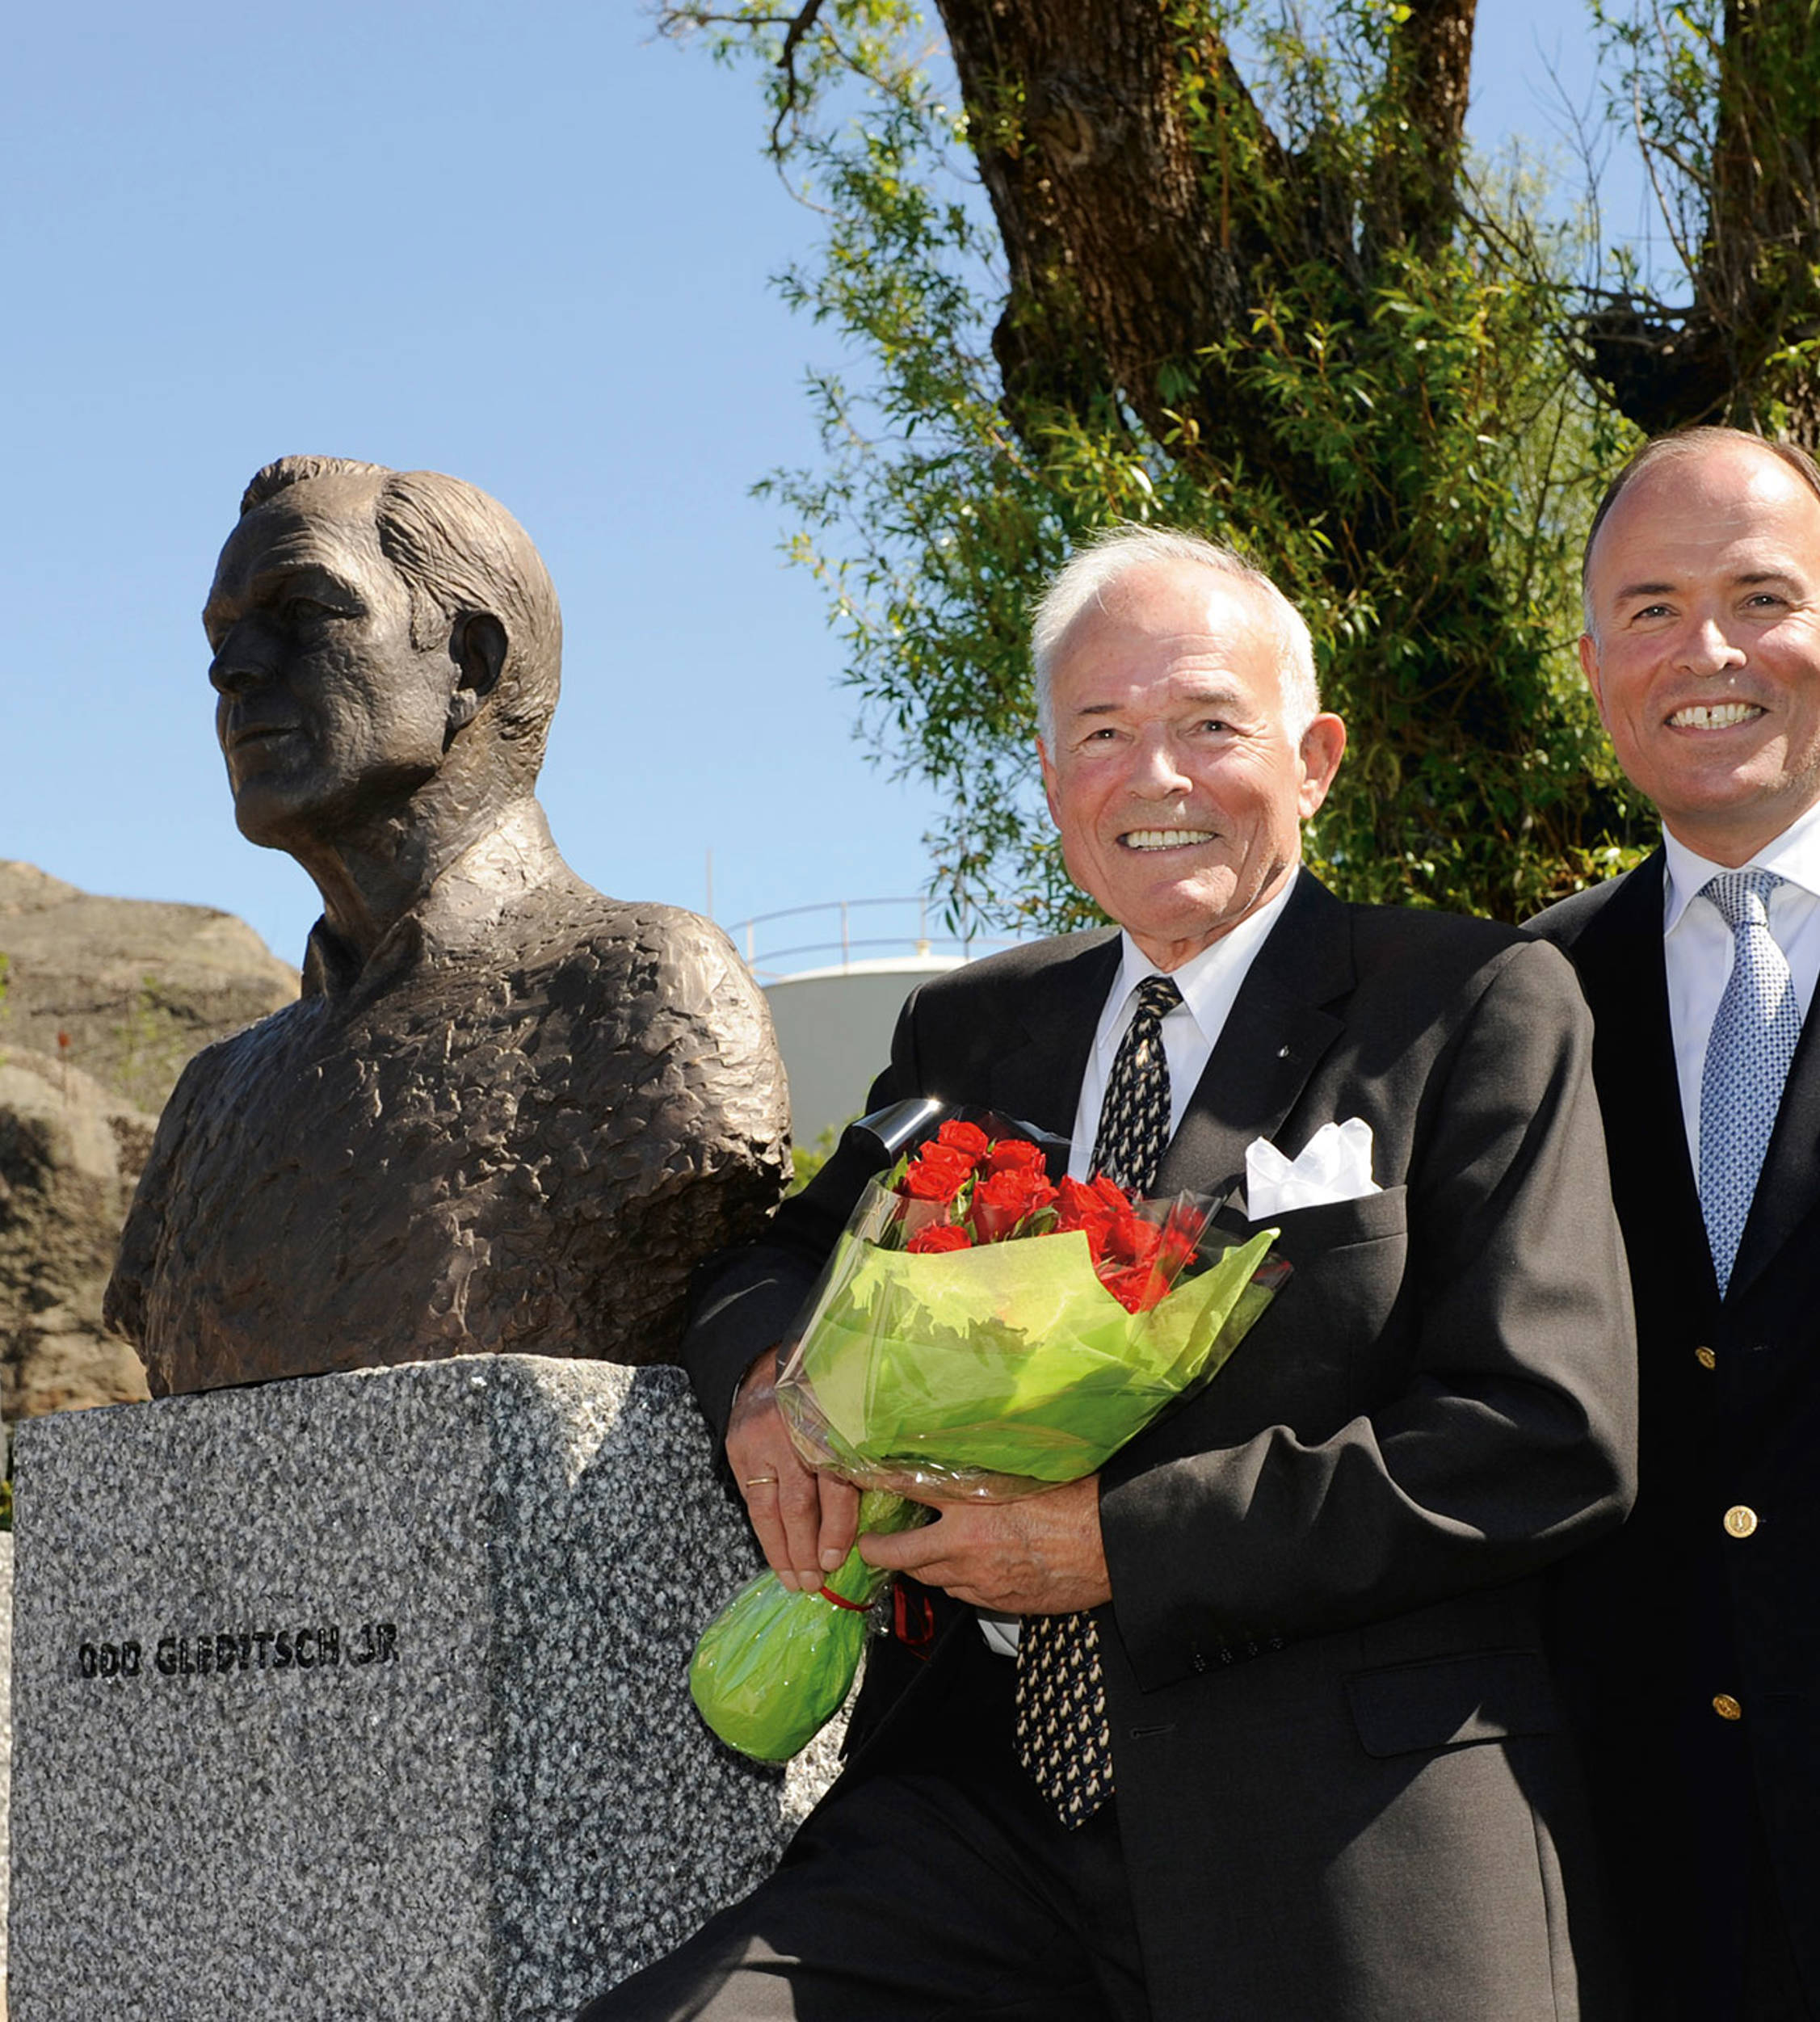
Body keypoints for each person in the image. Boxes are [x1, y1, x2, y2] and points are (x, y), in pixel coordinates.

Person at [579, 527, 1636, 2022]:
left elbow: (1542, 1436)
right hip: (974, 1819)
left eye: (1208, 723)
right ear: (1049, 773)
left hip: (1338, 1826)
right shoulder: (969, 1028)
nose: (1154, 776)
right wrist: (768, 1390)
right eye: (1101, 732)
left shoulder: (1469, 1000)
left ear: (1313, 755)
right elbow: (778, 1257)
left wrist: (1115, 1545)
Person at [106, 456, 787, 1393]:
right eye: (222, 635)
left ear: (470, 664)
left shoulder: (645, 999)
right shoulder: (211, 1100)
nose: (232, 670)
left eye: (304, 612)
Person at [1531, 427, 1820, 2020]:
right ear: (1589, 666)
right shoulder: (1507, 1009)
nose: (1704, 651)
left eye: (1759, 595)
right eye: (1648, 609)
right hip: (1624, 1893)